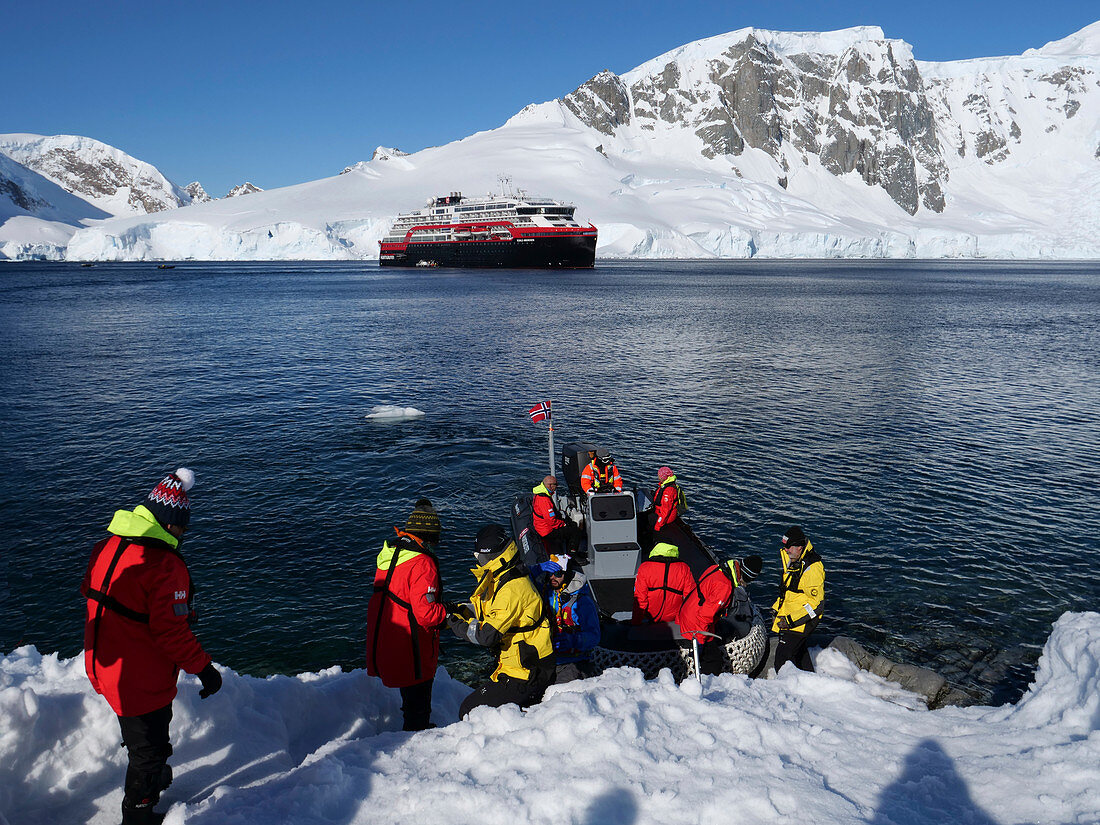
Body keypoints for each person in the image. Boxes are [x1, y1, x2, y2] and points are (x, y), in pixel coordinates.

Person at [81, 468, 221, 825]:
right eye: (182, 527)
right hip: (139, 679)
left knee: (144, 736)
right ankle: (138, 813)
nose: (184, 534)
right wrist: (204, 669)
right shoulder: (163, 565)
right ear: (169, 523)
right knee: (148, 750)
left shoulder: (108, 546)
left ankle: (154, 776)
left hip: (103, 664)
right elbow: (171, 631)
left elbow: (92, 594)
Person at [448, 524, 555, 717]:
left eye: (478, 557)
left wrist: (453, 623)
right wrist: (461, 610)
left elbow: (486, 636)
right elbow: (492, 611)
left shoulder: (512, 588)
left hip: (527, 672)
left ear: (489, 557)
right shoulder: (504, 576)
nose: (477, 561)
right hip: (520, 662)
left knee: (469, 710)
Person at [365, 499, 446, 731]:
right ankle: (417, 736)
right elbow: (427, 614)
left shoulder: (391, 554)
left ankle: (412, 723)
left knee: (409, 695)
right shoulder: (423, 563)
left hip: (387, 635)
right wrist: (448, 614)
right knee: (418, 702)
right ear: (430, 537)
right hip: (412, 643)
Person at [536, 554, 601, 683]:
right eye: (550, 573)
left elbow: (594, 636)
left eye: (558, 574)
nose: (553, 578)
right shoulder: (546, 592)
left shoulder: (582, 602)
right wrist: (536, 568)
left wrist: (573, 640)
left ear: (568, 575)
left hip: (572, 662)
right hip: (548, 659)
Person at [771, 526, 825, 673]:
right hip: (792, 615)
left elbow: (816, 605)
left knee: (781, 659)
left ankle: (784, 691)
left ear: (800, 547)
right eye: (785, 546)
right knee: (799, 653)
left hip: (802, 620)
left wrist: (790, 621)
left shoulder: (812, 569)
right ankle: (810, 681)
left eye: (789, 547)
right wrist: (776, 608)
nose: (786, 550)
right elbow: (789, 591)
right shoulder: (794, 561)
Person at [678, 558, 738, 676]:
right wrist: (699, 642)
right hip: (695, 624)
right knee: (713, 662)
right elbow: (705, 616)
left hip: (688, 612)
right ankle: (707, 684)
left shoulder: (716, 569)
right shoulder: (724, 586)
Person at [631, 541, 695, 625]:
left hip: (651, 616)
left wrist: (636, 622)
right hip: (675, 617)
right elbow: (690, 599)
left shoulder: (644, 568)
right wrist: (680, 622)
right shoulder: (684, 568)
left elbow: (640, 599)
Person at [531, 475, 583, 558]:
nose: (557, 486)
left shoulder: (541, 494)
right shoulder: (544, 500)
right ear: (550, 486)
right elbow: (551, 521)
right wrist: (563, 524)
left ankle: (569, 548)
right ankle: (572, 555)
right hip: (546, 531)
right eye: (556, 484)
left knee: (571, 524)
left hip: (543, 526)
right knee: (575, 532)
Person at [651, 466, 686, 538]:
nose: (658, 477)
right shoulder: (666, 485)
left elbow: (665, 511)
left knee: (649, 522)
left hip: (666, 518)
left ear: (663, 477)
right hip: (659, 512)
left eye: (659, 476)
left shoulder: (668, 492)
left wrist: (658, 526)